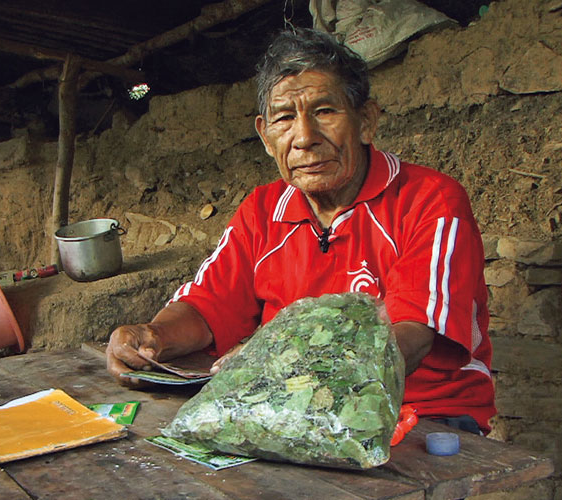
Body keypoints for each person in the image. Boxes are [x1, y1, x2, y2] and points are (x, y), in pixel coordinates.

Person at [107, 27, 496, 434]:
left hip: (423, 414)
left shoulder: (431, 201)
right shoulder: (262, 210)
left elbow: (409, 338)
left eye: (325, 111)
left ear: (366, 121)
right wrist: (150, 337)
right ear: (265, 135)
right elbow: (207, 304)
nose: (305, 138)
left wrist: (272, 364)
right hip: (294, 409)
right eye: (285, 118)